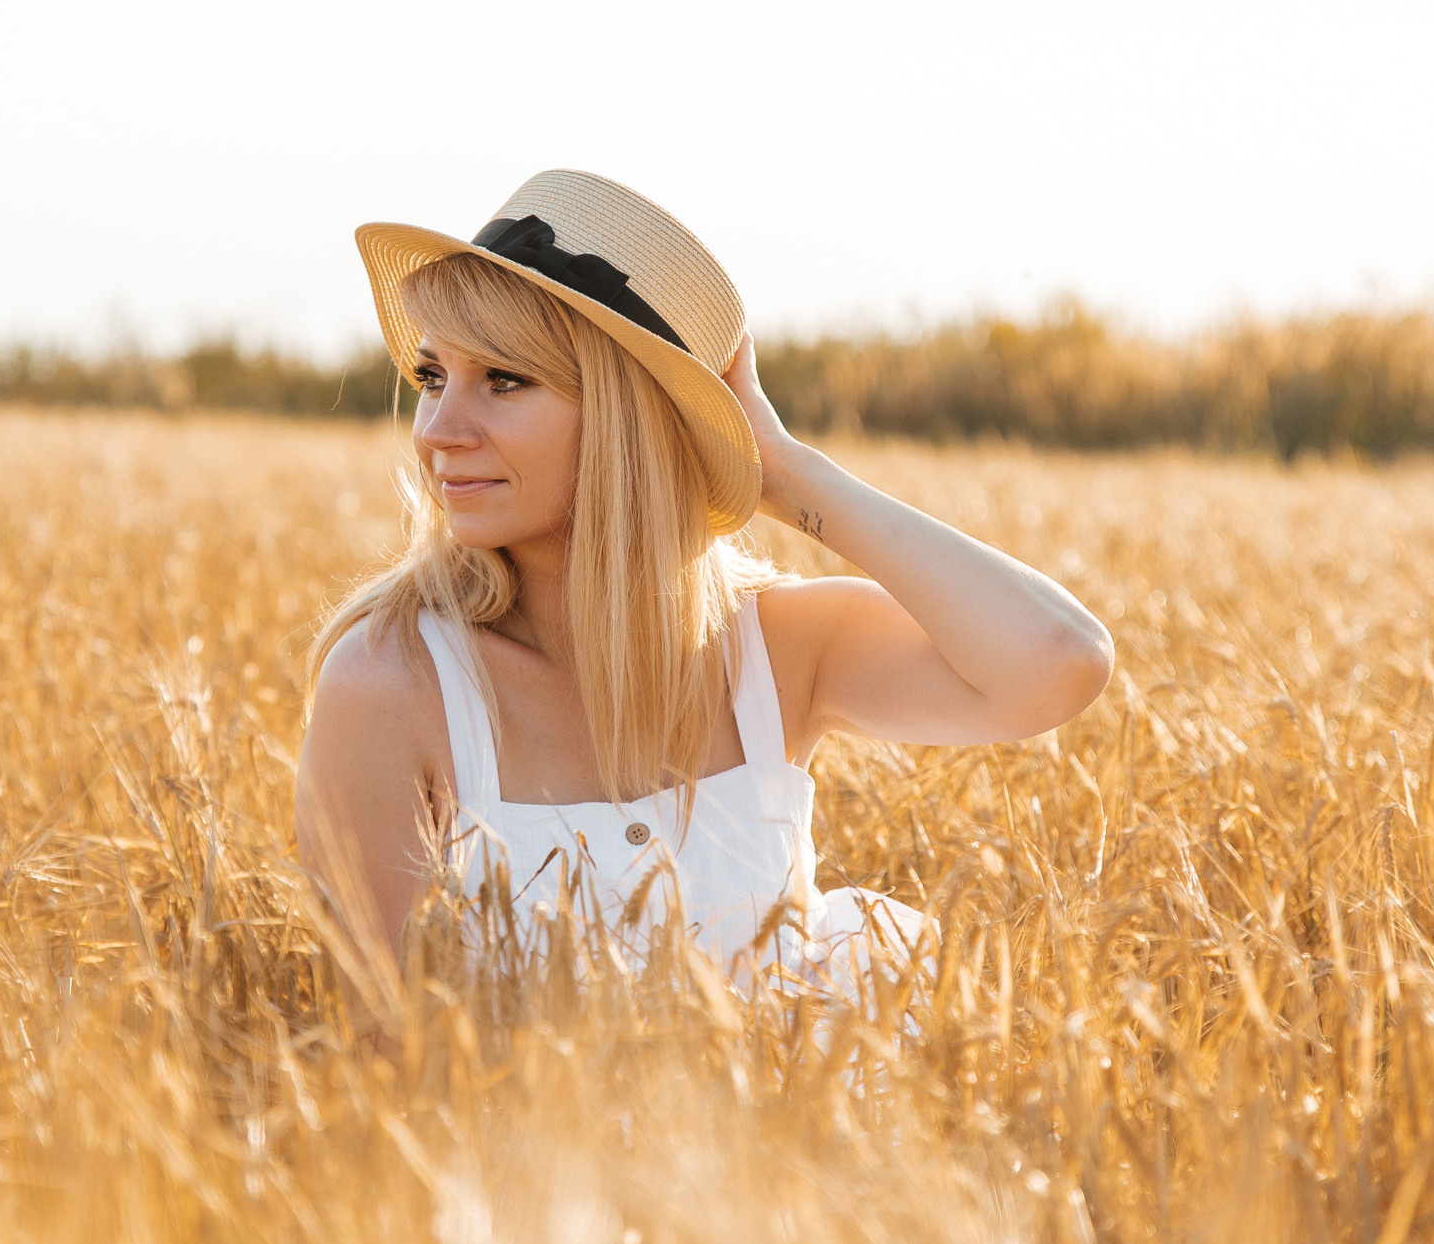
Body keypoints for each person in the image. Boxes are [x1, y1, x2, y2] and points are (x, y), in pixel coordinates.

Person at [295, 170, 1112, 1015]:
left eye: (503, 379)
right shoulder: (391, 686)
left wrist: (786, 468)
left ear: (625, 416)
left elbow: (1058, 660)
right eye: (433, 378)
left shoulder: (774, 649)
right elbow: (375, 1056)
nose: (437, 431)